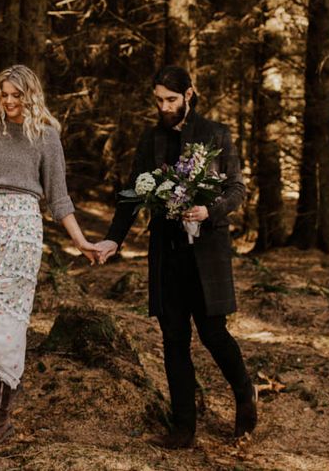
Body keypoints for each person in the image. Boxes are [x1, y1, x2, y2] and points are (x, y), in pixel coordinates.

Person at [0, 65, 101, 449]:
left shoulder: (46, 136)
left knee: (7, 323)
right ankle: (8, 379)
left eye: (16, 95)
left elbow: (59, 198)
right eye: (3, 94)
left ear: (31, 94)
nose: (9, 102)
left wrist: (80, 241)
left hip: (21, 233)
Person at [97, 65, 257, 449]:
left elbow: (237, 189)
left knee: (214, 334)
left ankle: (245, 394)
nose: (164, 107)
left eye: (171, 99)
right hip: (166, 253)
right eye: (158, 100)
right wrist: (113, 240)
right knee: (173, 339)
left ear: (189, 94)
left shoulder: (216, 133)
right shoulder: (150, 138)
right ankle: (183, 428)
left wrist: (210, 210)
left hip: (207, 251)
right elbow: (133, 192)